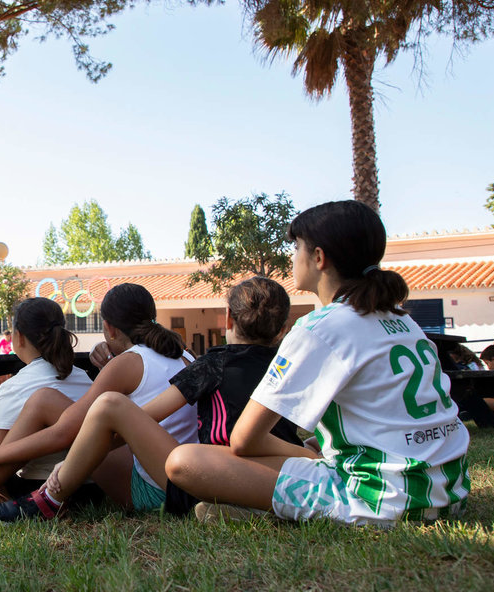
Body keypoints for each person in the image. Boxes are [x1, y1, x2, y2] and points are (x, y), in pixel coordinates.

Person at [165, 200, 470, 526]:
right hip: (449, 493)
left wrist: (307, 455)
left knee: (185, 461)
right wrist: (314, 448)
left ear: (319, 258)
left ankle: (263, 511)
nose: (293, 256)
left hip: (383, 499)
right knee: (307, 446)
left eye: (296, 247)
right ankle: (256, 509)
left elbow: (244, 440)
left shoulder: (321, 327)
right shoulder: (402, 321)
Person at [0, 277, 299, 523]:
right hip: (255, 477)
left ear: (227, 318)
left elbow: (138, 417)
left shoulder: (211, 363)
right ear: (283, 329)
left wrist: (83, 449)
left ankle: (48, 498)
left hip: (195, 481)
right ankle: (249, 510)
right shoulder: (197, 357)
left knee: (103, 409)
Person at [0, 284, 197, 521]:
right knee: (54, 403)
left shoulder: (125, 365)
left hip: (153, 493)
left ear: (109, 328)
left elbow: (65, 431)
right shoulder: (185, 355)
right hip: (190, 477)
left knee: (49, 401)